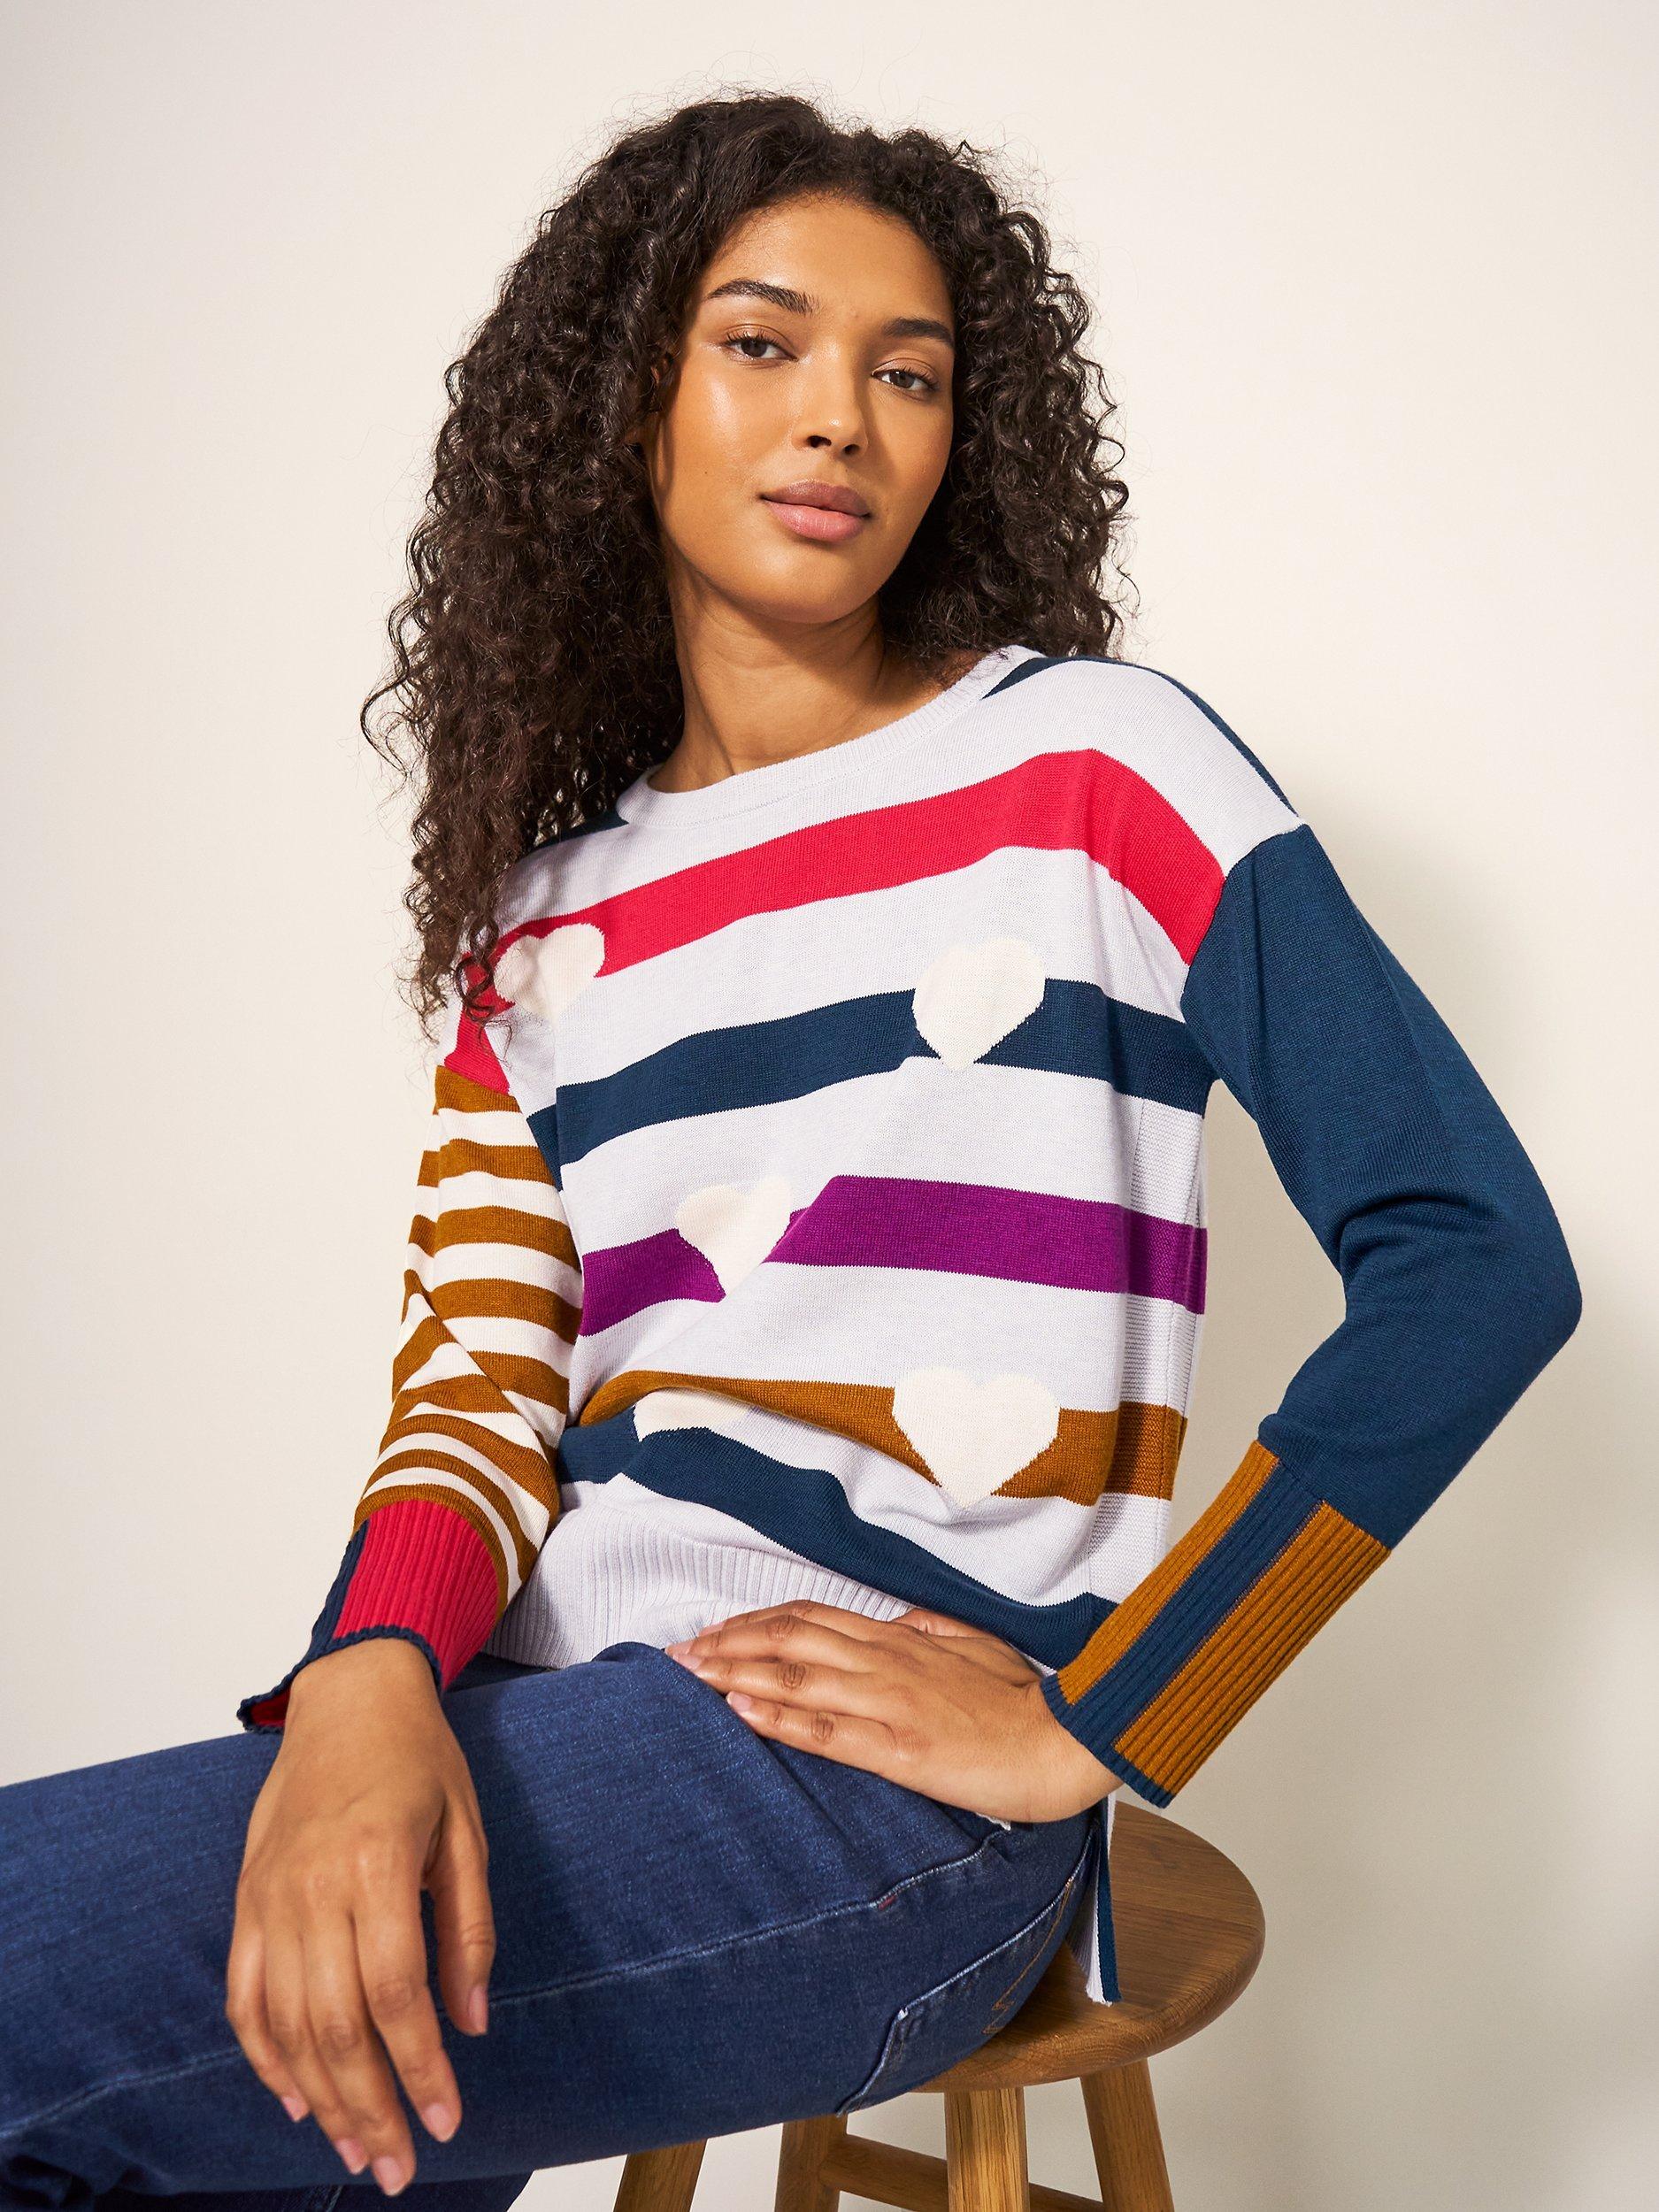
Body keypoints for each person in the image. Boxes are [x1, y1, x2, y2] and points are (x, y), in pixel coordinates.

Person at [0, 89, 1581, 2210]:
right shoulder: (537, 922)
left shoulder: (1098, 768)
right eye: (761, 343)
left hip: (867, 1812)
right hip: (531, 1710)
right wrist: (363, 1678)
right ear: (621, 402)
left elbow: (1471, 1254)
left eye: (906, 372)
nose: (839, 413)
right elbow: (475, 1383)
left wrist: (1104, 1717)